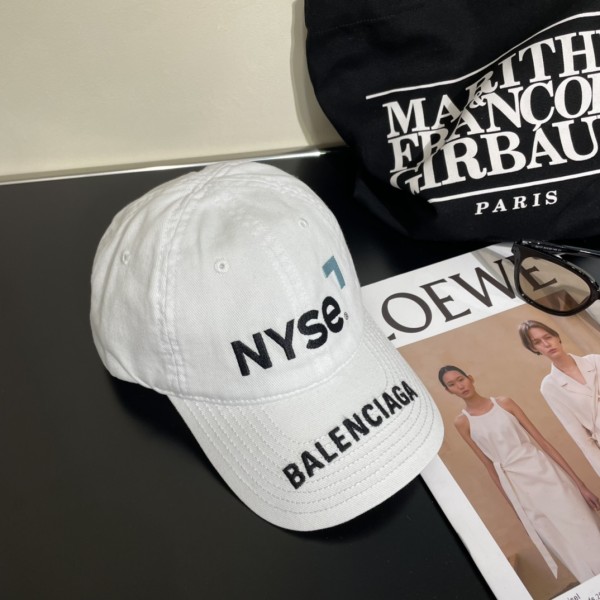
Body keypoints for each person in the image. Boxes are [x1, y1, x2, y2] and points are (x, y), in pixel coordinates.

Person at [439, 365, 600, 582]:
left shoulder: (504, 403)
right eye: (452, 385)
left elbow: (542, 442)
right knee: (559, 539)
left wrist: (580, 485)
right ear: (448, 391)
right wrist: (517, 511)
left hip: (546, 472)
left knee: (583, 524)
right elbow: (488, 466)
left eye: (460, 379)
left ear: (470, 378)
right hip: (518, 487)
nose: (460, 386)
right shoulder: (462, 423)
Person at [519, 319, 600, 477]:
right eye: (537, 342)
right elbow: (580, 437)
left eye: (548, 337)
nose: (546, 344)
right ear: (533, 348)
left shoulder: (596, 361)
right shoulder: (550, 387)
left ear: (557, 337)